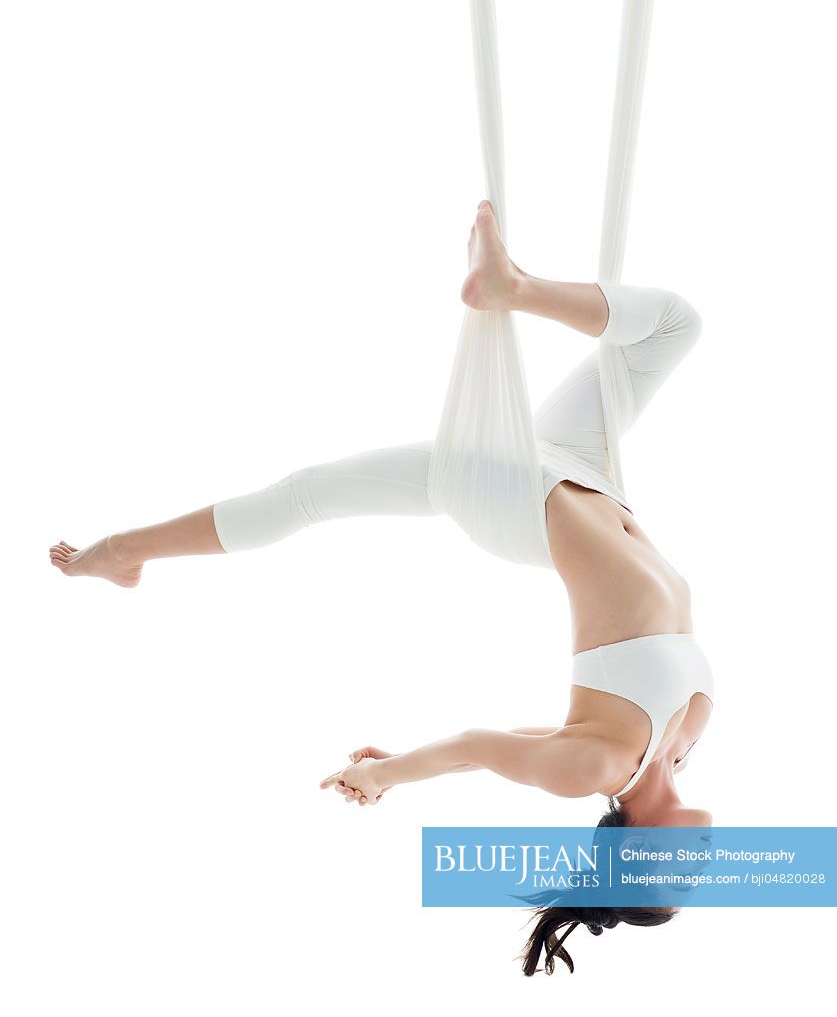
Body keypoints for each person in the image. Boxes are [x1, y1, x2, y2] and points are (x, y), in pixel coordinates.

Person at [50, 199, 713, 973]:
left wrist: (383, 774)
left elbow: (477, 746)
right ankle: (514, 287)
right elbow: (498, 748)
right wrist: (402, 760)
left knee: (305, 492)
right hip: (584, 474)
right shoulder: (678, 745)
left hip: (520, 501)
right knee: (674, 325)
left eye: (680, 876)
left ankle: (124, 549)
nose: (703, 864)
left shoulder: (593, 773)